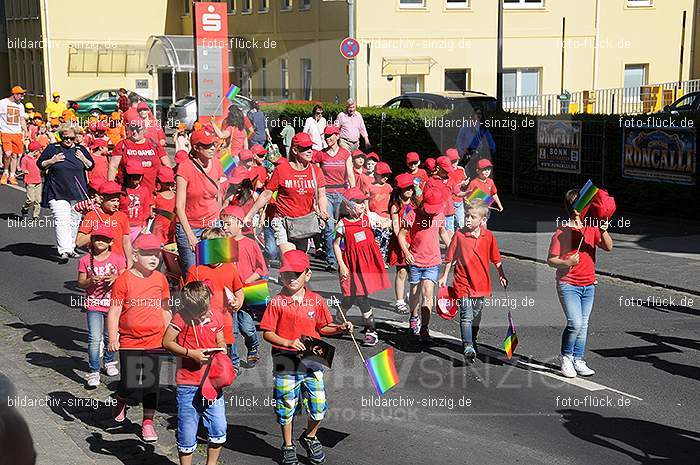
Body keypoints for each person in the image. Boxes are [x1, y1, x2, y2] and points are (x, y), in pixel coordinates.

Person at [259, 249, 353, 465]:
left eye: (296, 274)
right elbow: (267, 332)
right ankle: (288, 445)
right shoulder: (277, 301)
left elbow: (324, 327)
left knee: (319, 408)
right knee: (286, 406)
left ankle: (310, 436)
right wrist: (287, 342)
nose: (291, 278)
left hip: (312, 361)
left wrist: (339, 327)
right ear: (281, 276)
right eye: (286, 274)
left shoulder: (317, 300)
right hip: (286, 362)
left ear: (307, 275)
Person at [108, 234, 171, 442]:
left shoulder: (160, 279)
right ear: (135, 256)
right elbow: (115, 310)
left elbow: (165, 310)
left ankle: (148, 423)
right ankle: (121, 399)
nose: (154, 258)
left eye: (157, 254)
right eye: (148, 254)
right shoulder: (124, 279)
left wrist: (170, 336)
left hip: (155, 339)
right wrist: (112, 337)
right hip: (129, 340)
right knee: (130, 380)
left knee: (151, 382)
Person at [547, 189, 613, 378]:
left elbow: (608, 246)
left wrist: (603, 230)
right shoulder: (563, 232)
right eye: (579, 206)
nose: (583, 209)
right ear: (573, 209)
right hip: (568, 284)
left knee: (583, 324)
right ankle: (566, 357)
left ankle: (579, 358)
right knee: (575, 322)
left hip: (589, 284)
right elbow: (551, 260)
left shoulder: (591, 229)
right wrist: (568, 262)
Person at [162, 281, 228, 465]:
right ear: (187, 308)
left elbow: (220, 339)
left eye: (205, 310)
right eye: (199, 314)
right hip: (187, 383)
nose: (204, 315)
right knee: (187, 429)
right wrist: (191, 353)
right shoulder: (180, 318)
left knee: (218, 426)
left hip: (212, 381)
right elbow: (167, 342)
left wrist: (222, 348)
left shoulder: (216, 316)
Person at [438, 200, 508, 364]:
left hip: (481, 284)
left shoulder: (488, 236)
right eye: (467, 216)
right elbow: (450, 258)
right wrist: (444, 276)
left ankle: (473, 339)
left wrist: (501, 275)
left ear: (482, 220)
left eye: (472, 217)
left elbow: (496, 259)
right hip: (463, 283)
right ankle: (468, 345)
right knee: (466, 316)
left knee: (476, 315)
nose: (467, 219)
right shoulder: (460, 235)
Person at [243, 132, 329, 256]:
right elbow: (267, 194)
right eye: (305, 148)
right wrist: (249, 216)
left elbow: (321, 195)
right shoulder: (282, 170)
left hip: (303, 223)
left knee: (300, 262)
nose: (310, 151)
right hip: (282, 221)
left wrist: (323, 211)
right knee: (290, 258)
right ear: (295, 150)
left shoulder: (316, 170)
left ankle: (287, 276)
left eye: (311, 147)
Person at [333, 188, 391, 346]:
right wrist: (342, 265)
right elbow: (336, 245)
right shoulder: (342, 224)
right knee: (353, 296)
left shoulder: (368, 218)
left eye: (362, 202)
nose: (362, 205)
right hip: (351, 265)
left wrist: (387, 222)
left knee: (359, 295)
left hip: (367, 263)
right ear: (348, 206)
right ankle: (366, 327)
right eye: (358, 203)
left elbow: (386, 221)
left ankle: (370, 330)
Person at [185, 227, 245, 373]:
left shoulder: (230, 268)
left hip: (226, 321)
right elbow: (187, 295)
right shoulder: (196, 270)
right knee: (203, 364)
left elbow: (239, 290)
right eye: (209, 247)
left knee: (223, 361)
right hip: (202, 324)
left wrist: (238, 302)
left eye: (217, 247)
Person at [77, 223, 127, 387]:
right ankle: (93, 371)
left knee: (111, 336)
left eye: (104, 239)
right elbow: (80, 283)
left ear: (111, 242)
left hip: (114, 305)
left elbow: (126, 280)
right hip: (94, 305)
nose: (101, 242)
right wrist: (91, 281)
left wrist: (115, 278)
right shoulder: (85, 260)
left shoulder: (118, 259)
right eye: (97, 238)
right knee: (94, 339)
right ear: (92, 240)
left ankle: (110, 361)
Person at [38, 123, 94, 261]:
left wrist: (83, 158)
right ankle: (63, 250)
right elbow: (40, 164)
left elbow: (91, 166)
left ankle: (71, 247)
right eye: (65, 138)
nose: (68, 141)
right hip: (57, 191)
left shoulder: (81, 149)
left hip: (77, 192)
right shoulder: (53, 148)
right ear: (60, 137)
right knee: (62, 219)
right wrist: (52, 160)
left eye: (71, 138)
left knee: (74, 220)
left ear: (76, 137)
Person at [398, 188, 448, 343]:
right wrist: (406, 253)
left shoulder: (440, 214)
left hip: (432, 261)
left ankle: (425, 328)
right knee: (414, 293)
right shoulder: (412, 214)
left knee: (428, 294)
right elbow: (401, 235)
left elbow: (443, 232)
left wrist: (452, 247)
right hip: (415, 260)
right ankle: (413, 317)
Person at [175, 128, 227, 275]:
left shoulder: (216, 163)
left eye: (213, 144)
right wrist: (191, 236)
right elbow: (179, 207)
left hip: (212, 225)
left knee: (218, 272)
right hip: (190, 227)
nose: (212, 148)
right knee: (194, 274)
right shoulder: (185, 168)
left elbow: (217, 192)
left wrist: (218, 221)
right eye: (206, 146)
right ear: (196, 148)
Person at [220, 206, 266, 367]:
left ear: (240, 224)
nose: (224, 228)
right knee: (230, 331)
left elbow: (262, 269)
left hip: (247, 294)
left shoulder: (250, 244)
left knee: (247, 328)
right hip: (227, 294)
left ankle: (253, 347)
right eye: (222, 224)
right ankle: (234, 363)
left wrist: (246, 281)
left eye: (228, 224)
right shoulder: (220, 244)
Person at [312, 125, 353, 271]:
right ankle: (331, 259)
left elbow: (350, 174)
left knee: (344, 226)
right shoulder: (320, 155)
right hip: (326, 194)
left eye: (330, 135)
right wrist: (316, 196)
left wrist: (353, 194)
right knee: (329, 226)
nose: (328, 138)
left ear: (337, 136)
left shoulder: (345, 154)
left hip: (342, 193)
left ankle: (347, 256)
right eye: (326, 136)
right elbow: (315, 173)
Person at [109, 121, 171, 195]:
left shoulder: (153, 143)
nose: (134, 132)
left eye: (138, 129)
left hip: (152, 191)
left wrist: (165, 184)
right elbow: (113, 166)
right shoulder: (123, 144)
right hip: (129, 193)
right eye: (132, 129)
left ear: (144, 130)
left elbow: (167, 165)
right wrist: (111, 188)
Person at [76, 181, 131, 263]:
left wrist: (129, 260)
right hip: (97, 261)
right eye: (112, 201)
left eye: (118, 201)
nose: (116, 204)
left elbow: (126, 242)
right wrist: (97, 232)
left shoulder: (122, 216)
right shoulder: (91, 216)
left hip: (119, 261)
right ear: (101, 199)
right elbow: (79, 242)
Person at [388, 173, 417, 313]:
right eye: (406, 188)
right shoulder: (395, 206)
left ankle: (409, 295)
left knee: (415, 272)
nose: (410, 190)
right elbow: (396, 227)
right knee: (402, 272)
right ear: (399, 189)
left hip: (416, 241)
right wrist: (404, 245)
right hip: (401, 242)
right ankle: (399, 301)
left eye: (411, 187)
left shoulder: (415, 203)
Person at [0, 85, 29, 185]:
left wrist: (26, 130)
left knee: (15, 155)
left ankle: (12, 175)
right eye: (21, 95)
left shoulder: (20, 106)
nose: (22, 97)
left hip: (17, 133)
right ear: (15, 94)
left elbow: (21, 119)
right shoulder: (3, 103)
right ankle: (5, 172)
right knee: (7, 154)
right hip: (5, 132)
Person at [119, 160, 154, 240]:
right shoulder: (120, 190)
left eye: (138, 176)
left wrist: (144, 225)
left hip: (138, 228)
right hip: (123, 227)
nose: (136, 178)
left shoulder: (144, 190)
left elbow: (146, 210)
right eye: (133, 175)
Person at [455, 108, 496, 177]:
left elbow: (488, 139)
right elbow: (459, 141)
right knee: (469, 174)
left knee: (478, 174)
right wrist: (462, 152)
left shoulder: (482, 126)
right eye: (477, 113)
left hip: (479, 154)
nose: (478, 115)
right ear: (473, 114)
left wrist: (492, 148)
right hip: (468, 153)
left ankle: (476, 187)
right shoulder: (466, 126)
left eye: (480, 114)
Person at [368, 162, 393, 262]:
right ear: (376, 174)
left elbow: (392, 202)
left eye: (387, 175)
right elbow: (366, 201)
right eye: (383, 175)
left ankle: (381, 260)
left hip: (386, 217)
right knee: (375, 240)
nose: (386, 177)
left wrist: (391, 217)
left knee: (385, 239)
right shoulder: (370, 187)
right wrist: (367, 214)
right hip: (374, 217)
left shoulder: (389, 187)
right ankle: (374, 259)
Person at [152, 167, 177, 245]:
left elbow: (151, 213)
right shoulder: (176, 196)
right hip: (172, 228)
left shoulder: (156, 197)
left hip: (159, 229)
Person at [19, 141, 43, 219]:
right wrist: (24, 171)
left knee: (38, 200)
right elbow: (23, 168)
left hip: (38, 181)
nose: (39, 152)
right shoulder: (25, 159)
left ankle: (36, 215)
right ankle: (25, 209)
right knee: (31, 199)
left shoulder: (38, 158)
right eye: (39, 150)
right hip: (29, 181)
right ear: (35, 151)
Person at [446, 148, 468, 228]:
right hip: (449, 202)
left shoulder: (461, 169)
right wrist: (460, 184)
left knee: (461, 223)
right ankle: (451, 239)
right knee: (449, 226)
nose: (454, 163)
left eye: (456, 160)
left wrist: (465, 184)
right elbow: (446, 188)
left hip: (459, 201)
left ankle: (459, 239)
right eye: (452, 161)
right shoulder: (445, 172)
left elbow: (464, 185)